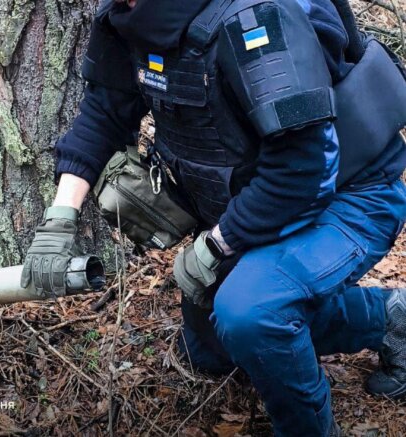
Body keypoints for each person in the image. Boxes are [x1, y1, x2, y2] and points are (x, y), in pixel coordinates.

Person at [20, 0, 406, 435]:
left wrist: (218, 243)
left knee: (249, 314)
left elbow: (305, 166)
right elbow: (103, 115)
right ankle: (390, 319)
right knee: (211, 347)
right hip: (259, 206)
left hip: (349, 196)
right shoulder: (126, 19)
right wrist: (60, 219)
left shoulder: (253, 18)